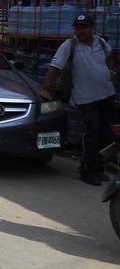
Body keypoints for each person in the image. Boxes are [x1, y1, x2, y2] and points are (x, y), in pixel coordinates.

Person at [41, 14, 116, 186]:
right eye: (77, 28)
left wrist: (109, 71)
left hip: (106, 94)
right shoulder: (70, 45)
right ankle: (87, 171)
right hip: (85, 97)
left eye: (84, 28)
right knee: (93, 131)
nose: (80, 31)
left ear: (92, 28)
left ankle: (99, 168)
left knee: (104, 134)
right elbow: (54, 67)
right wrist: (45, 88)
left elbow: (110, 55)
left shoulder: (101, 43)